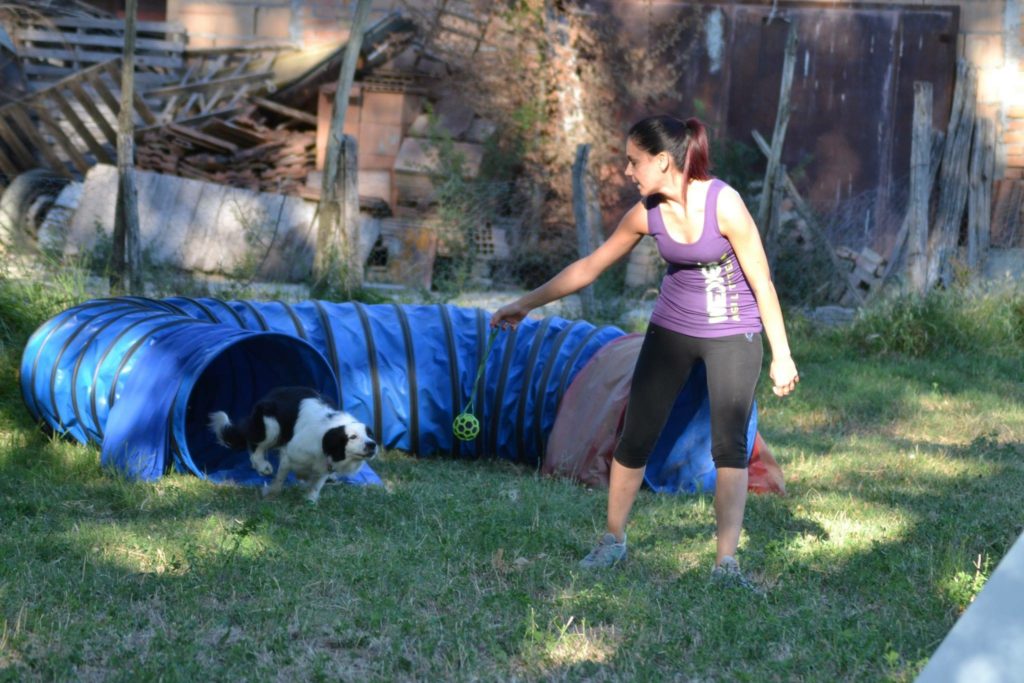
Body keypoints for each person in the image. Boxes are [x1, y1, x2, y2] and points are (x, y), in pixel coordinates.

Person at [490, 115, 799, 585]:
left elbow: (762, 279)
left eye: (634, 162)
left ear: (662, 160)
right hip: (671, 330)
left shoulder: (725, 203)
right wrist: (523, 305)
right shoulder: (645, 213)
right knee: (635, 436)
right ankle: (613, 541)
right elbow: (589, 267)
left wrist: (782, 353)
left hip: (733, 332)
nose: (628, 172)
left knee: (730, 448)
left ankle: (726, 564)